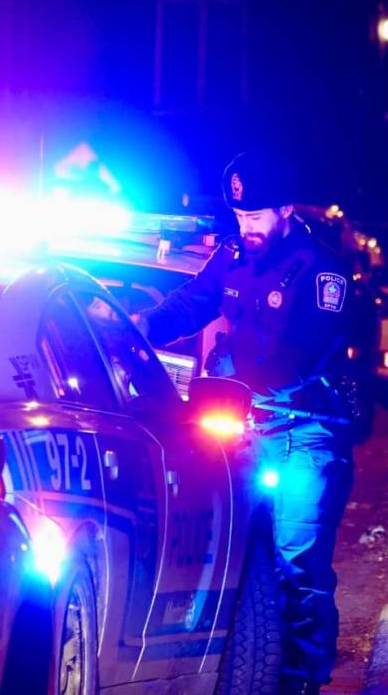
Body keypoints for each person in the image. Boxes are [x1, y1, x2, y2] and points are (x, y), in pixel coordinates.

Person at [135, 151, 354, 695]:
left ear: (284, 210)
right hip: (243, 426)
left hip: (305, 430)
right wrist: (136, 329)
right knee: (240, 559)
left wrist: (235, 370)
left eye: (255, 217)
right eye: (238, 216)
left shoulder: (319, 268)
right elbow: (193, 302)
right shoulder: (234, 252)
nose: (245, 227)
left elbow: (298, 355)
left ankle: (302, 680)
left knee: (297, 565)